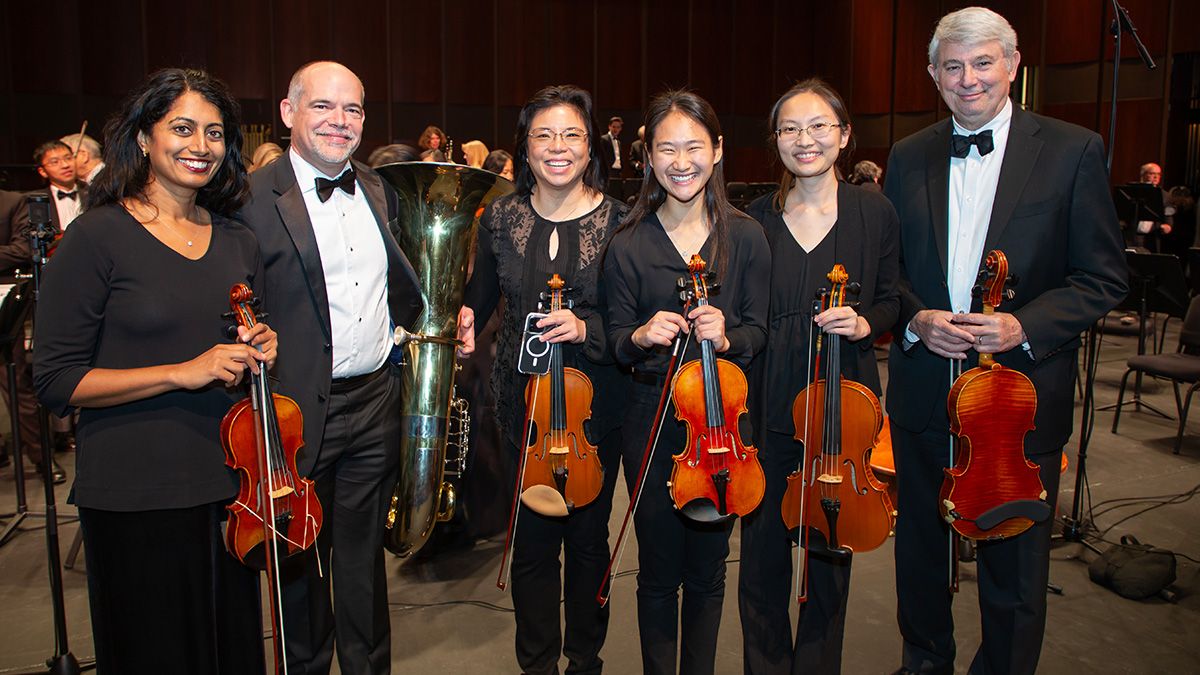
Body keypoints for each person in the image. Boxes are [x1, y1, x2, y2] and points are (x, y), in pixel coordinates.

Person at [883, 8, 1128, 675]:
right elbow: (889, 270)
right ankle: (924, 662)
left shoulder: (1073, 150)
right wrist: (915, 318)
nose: (969, 80)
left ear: (1013, 65)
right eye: (953, 67)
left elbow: (1103, 276)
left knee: (1014, 565)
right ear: (934, 74)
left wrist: (1026, 325)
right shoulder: (908, 155)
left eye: (983, 63)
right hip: (925, 389)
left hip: (1020, 399)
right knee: (921, 557)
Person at [32, 67, 274, 675]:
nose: (201, 146)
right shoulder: (97, 237)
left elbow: (232, 353)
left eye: (215, 133)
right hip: (136, 492)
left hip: (229, 488)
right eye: (183, 128)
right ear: (143, 137)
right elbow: (56, 381)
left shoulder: (237, 240)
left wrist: (259, 349)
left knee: (232, 655)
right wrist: (179, 373)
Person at [238, 60, 423, 675]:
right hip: (294, 412)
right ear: (289, 113)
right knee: (298, 563)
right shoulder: (248, 200)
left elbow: (399, 283)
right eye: (323, 106)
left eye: (353, 110)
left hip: (375, 402)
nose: (340, 122)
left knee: (363, 564)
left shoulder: (378, 188)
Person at [458, 83, 627, 675]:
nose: (558, 147)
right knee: (529, 548)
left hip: (594, 406)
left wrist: (586, 329)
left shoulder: (621, 221)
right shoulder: (500, 218)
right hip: (519, 407)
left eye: (572, 135)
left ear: (590, 147)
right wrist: (461, 317)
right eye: (543, 136)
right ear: (525, 148)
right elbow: (478, 301)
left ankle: (584, 659)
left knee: (587, 544)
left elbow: (626, 322)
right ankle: (536, 664)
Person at [603, 90, 770, 675]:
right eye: (666, 148)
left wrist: (727, 337)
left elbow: (758, 333)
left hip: (721, 424)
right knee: (656, 569)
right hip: (649, 418)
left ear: (718, 151)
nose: (680, 161)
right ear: (646, 156)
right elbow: (616, 338)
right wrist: (642, 335)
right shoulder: (627, 243)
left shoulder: (745, 238)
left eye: (694, 146)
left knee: (708, 568)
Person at [739, 79, 899, 675]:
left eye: (818, 127)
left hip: (844, 398)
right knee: (760, 558)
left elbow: (890, 299)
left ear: (844, 134)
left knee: (832, 553)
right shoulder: (755, 216)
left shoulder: (873, 210)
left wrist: (864, 322)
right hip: (767, 390)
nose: (804, 140)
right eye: (790, 129)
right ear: (775, 139)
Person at [31, 140, 86, 233]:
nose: (65, 165)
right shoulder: (36, 201)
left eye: (68, 158)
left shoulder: (93, 193)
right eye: (55, 162)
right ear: (42, 172)